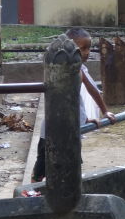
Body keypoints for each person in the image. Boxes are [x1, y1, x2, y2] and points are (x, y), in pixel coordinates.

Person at [31, 28, 116, 183]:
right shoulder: (57, 69)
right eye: (83, 48)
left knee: (72, 163)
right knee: (42, 167)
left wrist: (104, 112)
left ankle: (65, 194)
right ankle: (33, 194)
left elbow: (93, 90)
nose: (87, 52)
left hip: (72, 127)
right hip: (52, 129)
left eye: (89, 48)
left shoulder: (80, 69)